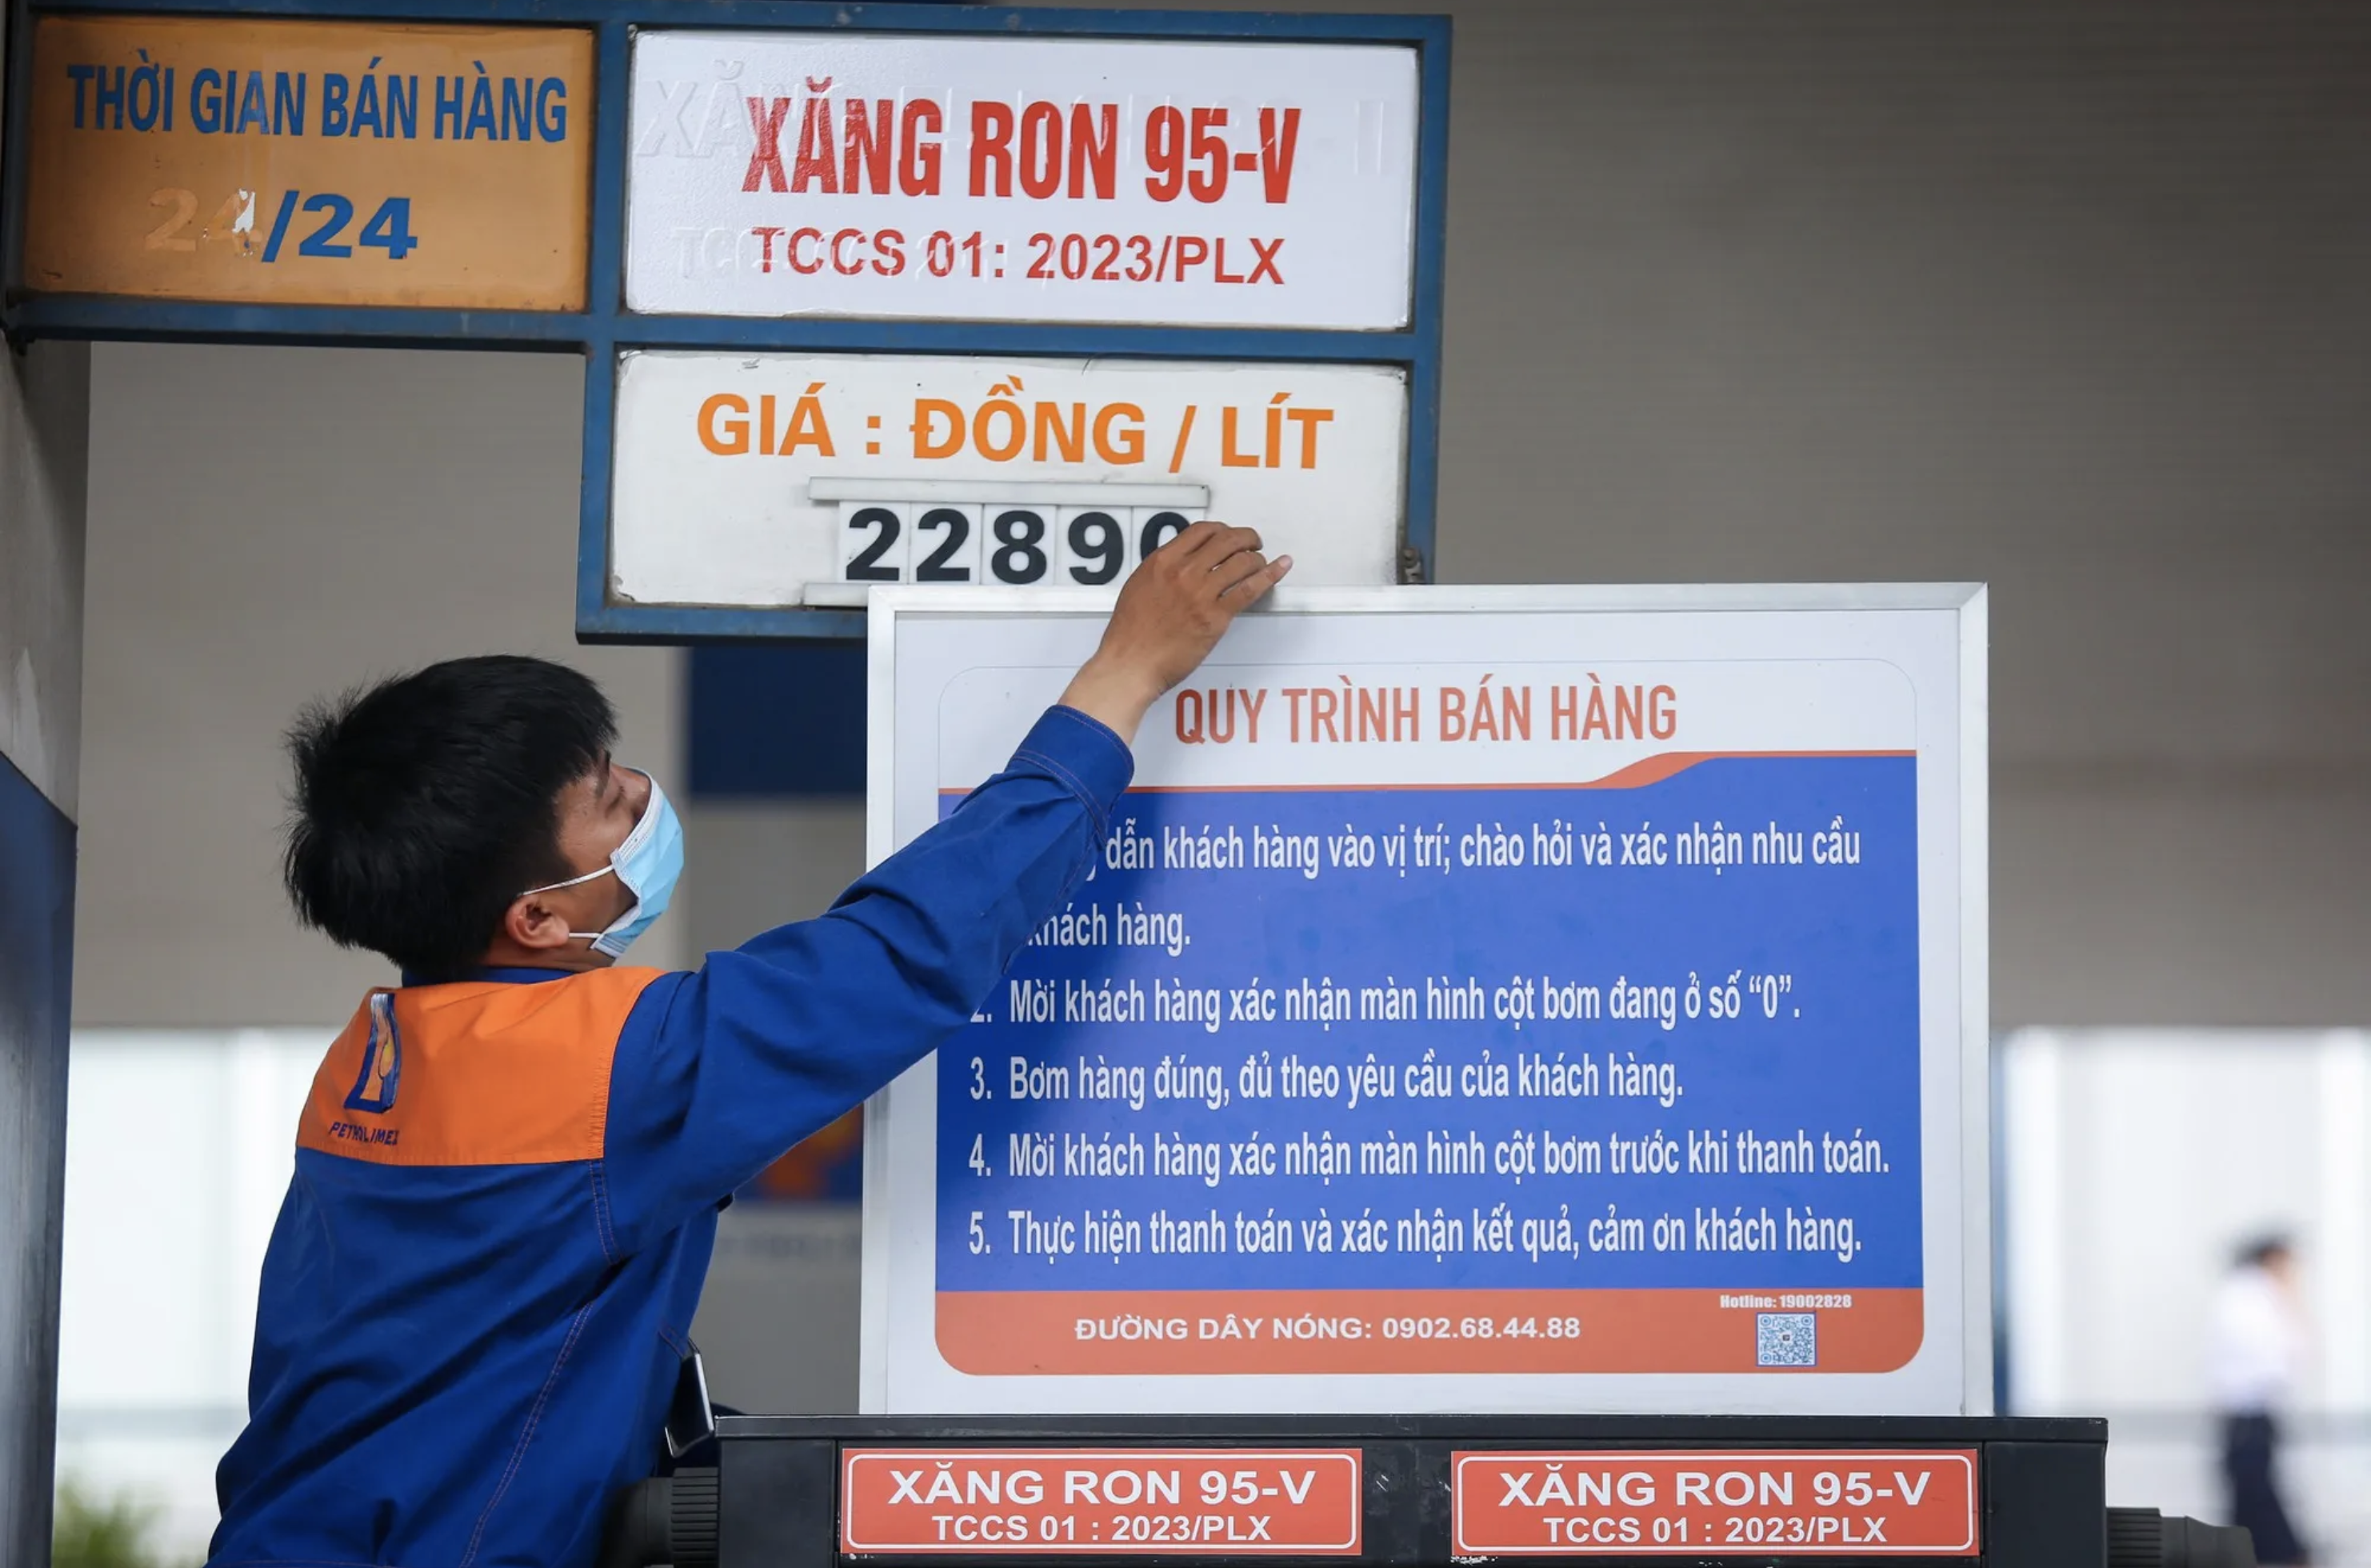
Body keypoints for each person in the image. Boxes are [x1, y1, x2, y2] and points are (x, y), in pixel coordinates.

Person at [210, 524, 1290, 1568]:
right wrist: (1122, 678)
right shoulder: (605, 1069)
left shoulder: (375, 1059)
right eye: (609, 800)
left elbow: (470, 1363)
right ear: (535, 917)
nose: (642, 796)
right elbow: (901, 954)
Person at [2207, 1233, 2311, 1565]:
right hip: (2248, 1408)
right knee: (2254, 1486)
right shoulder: (2251, 1296)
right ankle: (2279, 1551)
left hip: (2252, 1408)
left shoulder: (2248, 1294)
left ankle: (2249, 1549)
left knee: (2251, 1485)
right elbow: (2278, 1354)